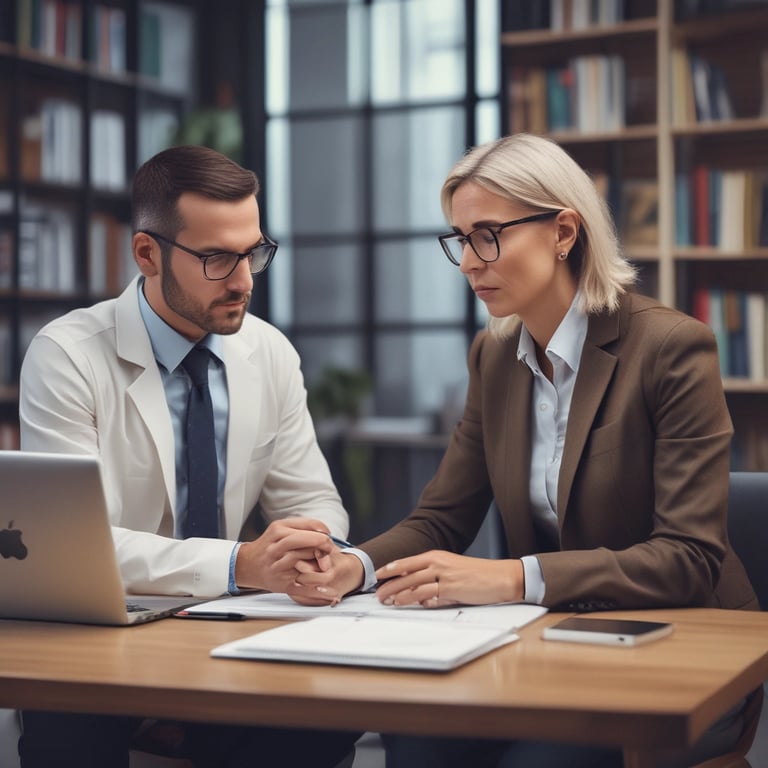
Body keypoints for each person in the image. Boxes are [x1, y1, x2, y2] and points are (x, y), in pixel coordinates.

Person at [292, 133, 761, 768]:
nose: (468, 261)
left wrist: (513, 577)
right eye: (460, 239)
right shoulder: (495, 357)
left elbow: (688, 558)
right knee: (417, 738)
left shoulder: (672, 348)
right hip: (548, 644)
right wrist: (356, 568)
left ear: (564, 231)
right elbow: (442, 518)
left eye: (488, 234)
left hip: (678, 642)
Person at [17, 145, 360, 767]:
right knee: (67, 738)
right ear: (147, 253)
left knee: (325, 723)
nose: (244, 279)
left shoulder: (269, 352)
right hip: (101, 634)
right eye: (216, 258)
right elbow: (75, 546)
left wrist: (311, 549)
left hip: (224, 629)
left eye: (253, 251)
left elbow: (314, 500)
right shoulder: (67, 355)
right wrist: (242, 563)